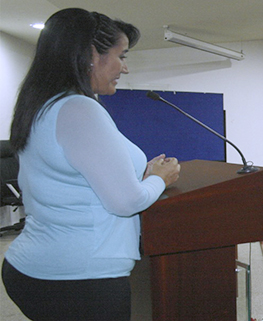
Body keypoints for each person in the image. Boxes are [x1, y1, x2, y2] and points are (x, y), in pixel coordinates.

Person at [1, 8, 181, 320]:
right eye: (121, 55)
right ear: (89, 56)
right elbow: (126, 202)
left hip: (38, 267)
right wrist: (160, 179)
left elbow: (76, 178)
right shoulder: (79, 109)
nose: (123, 68)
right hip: (78, 279)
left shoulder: (45, 104)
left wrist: (141, 173)